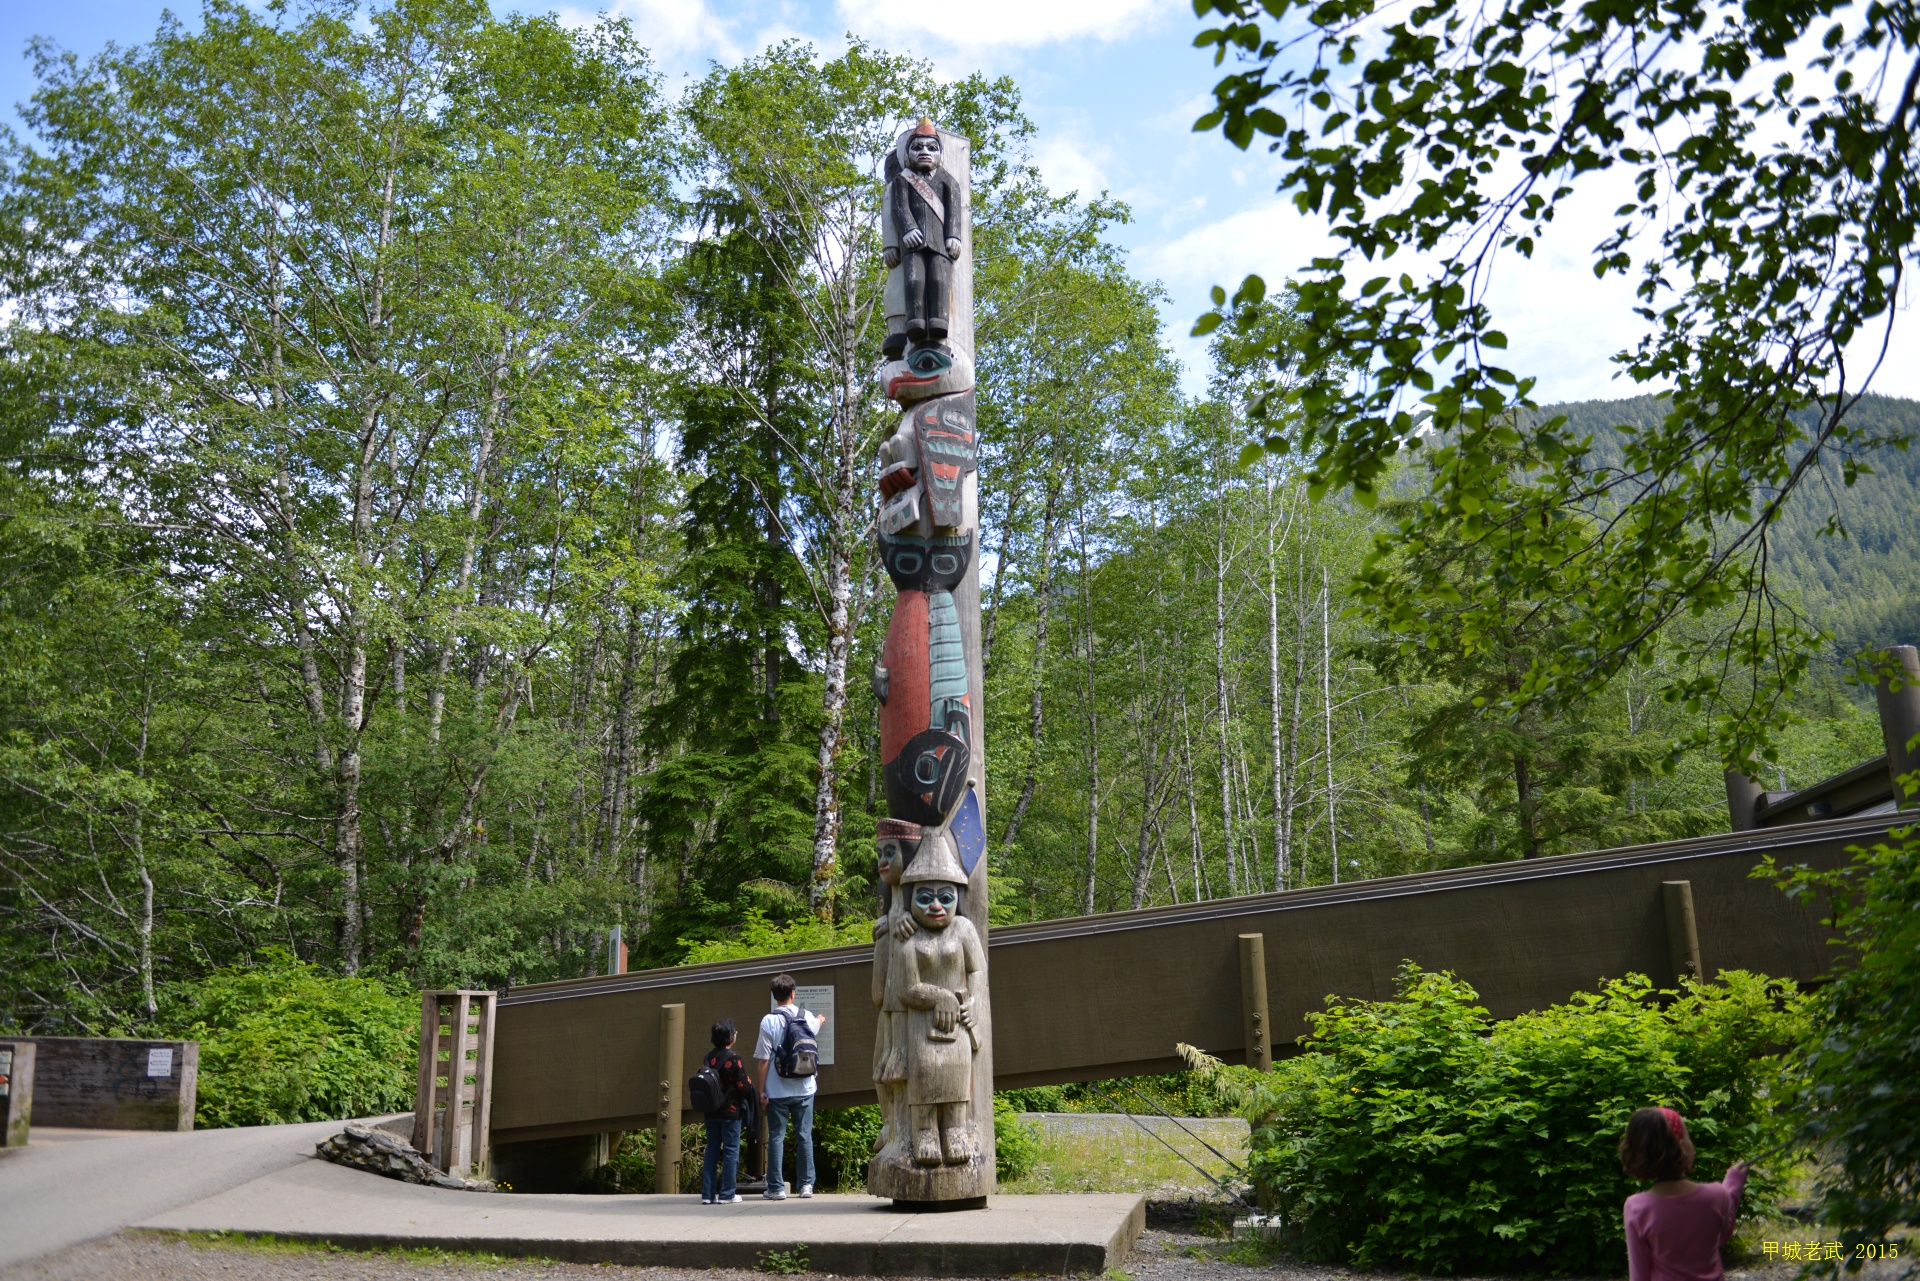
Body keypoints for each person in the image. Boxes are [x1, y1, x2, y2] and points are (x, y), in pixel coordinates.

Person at [1619, 1106, 1750, 1281]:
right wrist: (1733, 1184)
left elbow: (1639, 1276)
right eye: (1688, 1137)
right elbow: (1723, 1236)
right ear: (1681, 1147)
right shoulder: (1717, 1195)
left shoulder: (1636, 1207)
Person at [753, 972, 826, 1200]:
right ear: (793, 993)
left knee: (776, 1136)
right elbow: (816, 1026)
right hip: (805, 1089)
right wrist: (822, 1020)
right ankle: (806, 1186)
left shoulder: (768, 1021)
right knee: (804, 1135)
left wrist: (762, 1090)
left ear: (775, 996)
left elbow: (763, 1060)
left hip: (777, 1090)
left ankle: (775, 1189)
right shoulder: (807, 1017)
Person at [699, 1019, 751, 1205]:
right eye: (735, 1032)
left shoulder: (708, 1057)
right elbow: (742, 1086)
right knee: (730, 1150)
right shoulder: (734, 1058)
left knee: (712, 1150)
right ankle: (727, 1193)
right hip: (730, 1111)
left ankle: (708, 1194)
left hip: (711, 1111)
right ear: (730, 1037)